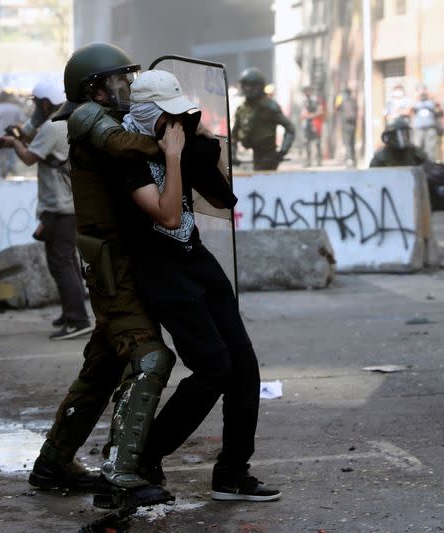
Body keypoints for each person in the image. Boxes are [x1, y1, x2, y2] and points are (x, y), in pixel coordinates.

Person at [120, 69, 281, 502]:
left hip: (196, 261)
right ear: (144, 114)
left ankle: (232, 471)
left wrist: (199, 141)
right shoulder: (125, 154)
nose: (173, 125)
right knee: (213, 368)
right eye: (166, 118)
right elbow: (168, 215)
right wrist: (172, 157)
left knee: (244, 365)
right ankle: (145, 454)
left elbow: (219, 196)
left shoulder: (174, 140)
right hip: (161, 271)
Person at [27, 42, 175, 511]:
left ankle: (53, 463)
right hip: (109, 261)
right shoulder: (87, 118)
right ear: (94, 88)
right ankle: (121, 475)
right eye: (118, 80)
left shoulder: (105, 119)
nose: (127, 87)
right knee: (150, 359)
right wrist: (171, 143)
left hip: (117, 257)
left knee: (103, 366)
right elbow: (120, 143)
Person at [0, 79, 91, 341]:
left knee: (61, 263)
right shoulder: (61, 122)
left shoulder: (53, 127)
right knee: (64, 262)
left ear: (45, 103)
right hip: (65, 205)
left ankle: (78, 320)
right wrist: (20, 134)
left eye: (37, 103)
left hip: (60, 207)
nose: (35, 108)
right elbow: (30, 133)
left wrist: (14, 144)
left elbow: (29, 157)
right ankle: (71, 311)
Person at [232, 67, 295, 171]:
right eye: (245, 85)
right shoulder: (242, 109)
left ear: (259, 86)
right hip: (255, 154)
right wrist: (232, 154)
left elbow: (290, 129)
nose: (247, 89)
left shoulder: (270, 107)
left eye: (251, 85)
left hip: (269, 156)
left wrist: (281, 153)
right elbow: (234, 135)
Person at [410, 88, 444, 161]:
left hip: (430, 129)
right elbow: (409, 113)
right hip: (418, 129)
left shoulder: (433, 103)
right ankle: (418, 164)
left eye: (424, 91)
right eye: (420, 91)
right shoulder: (414, 103)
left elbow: (440, 113)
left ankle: (430, 164)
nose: (423, 93)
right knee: (417, 148)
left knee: (430, 149)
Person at [300, 85, 323, 167]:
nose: (306, 93)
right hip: (306, 124)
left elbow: (320, 111)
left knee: (317, 142)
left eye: (307, 91)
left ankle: (319, 161)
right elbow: (303, 113)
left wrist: (310, 116)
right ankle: (308, 161)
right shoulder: (304, 101)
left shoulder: (316, 100)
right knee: (307, 142)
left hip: (315, 123)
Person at [335, 87, 358, 166]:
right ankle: (353, 158)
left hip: (345, 124)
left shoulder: (341, 100)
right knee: (352, 141)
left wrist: (339, 98)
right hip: (353, 124)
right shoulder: (353, 100)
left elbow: (336, 108)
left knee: (347, 141)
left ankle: (349, 159)